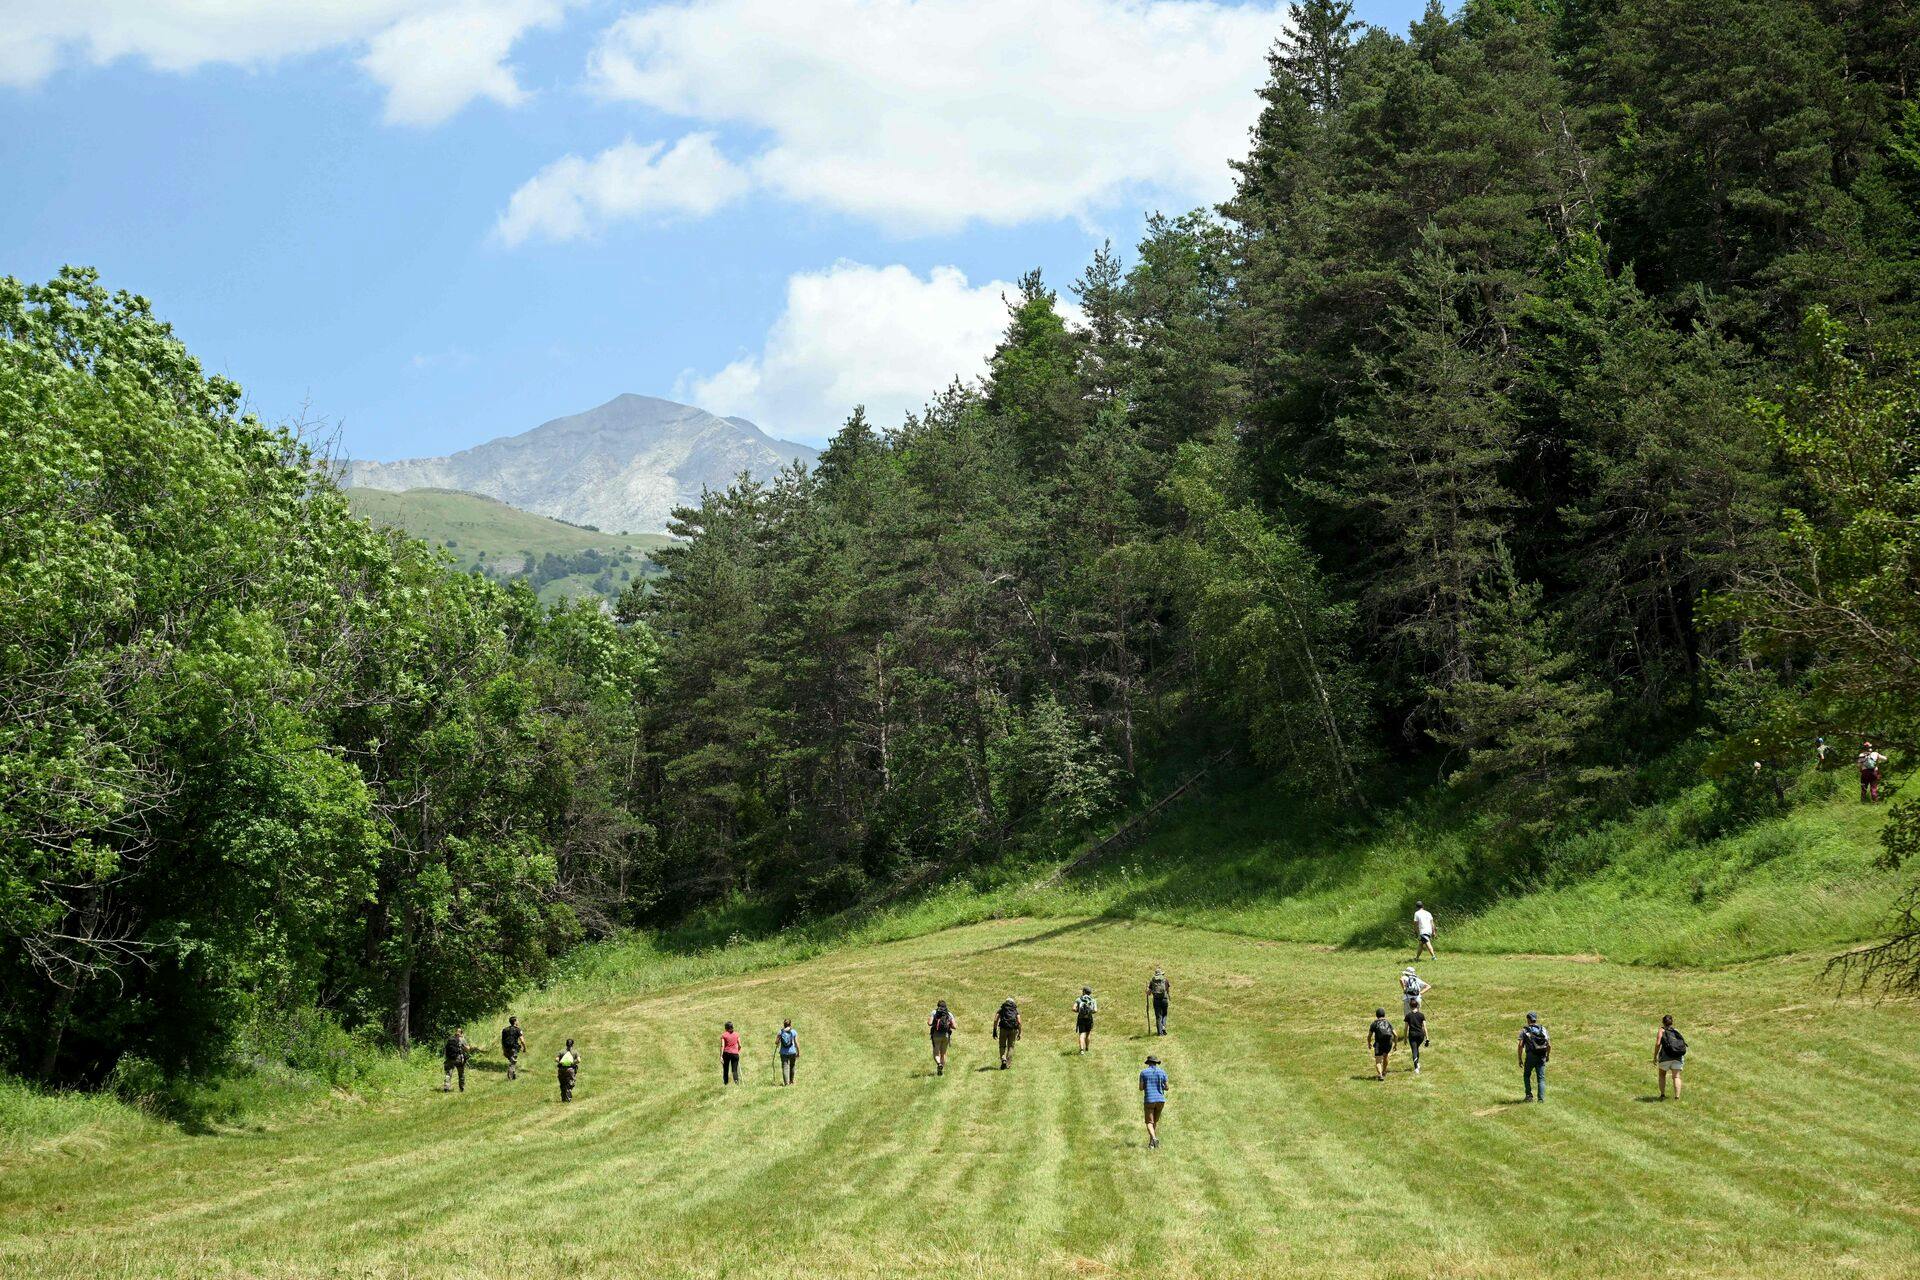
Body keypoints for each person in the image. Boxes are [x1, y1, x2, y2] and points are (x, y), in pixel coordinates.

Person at [1518, 1012, 1551, 1102]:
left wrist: (1520, 1058)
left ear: (1528, 1019)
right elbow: (1549, 1045)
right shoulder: (1543, 1029)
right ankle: (1541, 1099)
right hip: (1541, 1056)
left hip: (1530, 1056)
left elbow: (1520, 1045)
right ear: (1535, 1019)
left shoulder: (1524, 1031)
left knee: (1527, 1075)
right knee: (1541, 1079)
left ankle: (1529, 1096)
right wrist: (1547, 1056)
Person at [1139, 1054, 1169, 1148]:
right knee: (1154, 1122)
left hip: (1149, 1100)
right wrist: (1160, 1086)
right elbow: (1167, 1087)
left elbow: (1141, 1088)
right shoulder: (1162, 1072)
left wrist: (1147, 1085)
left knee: (1149, 1122)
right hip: (1160, 1100)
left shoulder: (1143, 1073)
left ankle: (1154, 1139)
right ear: (1156, 1063)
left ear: (1148, 1063)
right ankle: (1151, 1143)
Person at [1655, 1014, 1687, 1100]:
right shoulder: (1676, 1030)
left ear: (1663, 1022)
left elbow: (1658, 1044)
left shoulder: (1661, 1030)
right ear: (1671, 1022)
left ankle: (1662, 1095)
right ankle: (1677, 1097)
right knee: (1676, 1076)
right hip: (1677, 1056)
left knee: (1662, 1075)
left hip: (1665, 1057)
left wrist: (1655, 1056)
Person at [1367, 1007, 1397, 1080]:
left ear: (1376, 1015)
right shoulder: (1388, 1022)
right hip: (1388, 1042)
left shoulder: (1374, 1024)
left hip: (1379, 1043)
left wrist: (1369, 1043)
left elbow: (1369, 1035)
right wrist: (1395, 1044)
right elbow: (1395, 1035)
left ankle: (1380, 1075)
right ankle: (1384, 1071)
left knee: (1378, 1061)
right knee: (1386, 1056)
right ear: (1384, 1015)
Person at [928, 1000, 956, 1076]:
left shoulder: (934, 1012)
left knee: (936, 1053)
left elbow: (929, 1023)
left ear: (938, 1006)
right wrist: (948, 1024)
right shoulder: (949, 1013)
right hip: (946, 1035)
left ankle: (939, 1064)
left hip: (936, 1035)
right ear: (945, 1006)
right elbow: (954, 1026)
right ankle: (941, 1069)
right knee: (943, 1054)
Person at [995, 998, 1022, 1069]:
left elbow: (995, 1020)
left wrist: (994, 1030)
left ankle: (1003, 1059)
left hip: (1003, 1029)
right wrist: (1019, 1032)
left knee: (1002, 1046)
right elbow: (1019, 1022)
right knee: (1011, 1047)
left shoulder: (1002, 1009)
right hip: (1013, 1030)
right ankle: (1008, 1064)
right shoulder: (1015, 1010)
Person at [1404, 997, 1428, 1075]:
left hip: (1412, 1035)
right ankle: (1417, 1063)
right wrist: (1427, 1038)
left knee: (1414, 1050)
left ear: (1410, 1006)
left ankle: (1416, 1068)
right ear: (1417, 1006)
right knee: (1416, 1048)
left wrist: (1405, 1038)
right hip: (1420, 1035)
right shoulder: (1421, 1015)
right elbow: (1424, 1027)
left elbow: (1406, 1028)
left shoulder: (1408, 1016)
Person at [442, 1028, 470, 1093]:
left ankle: (446, 1088)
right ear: (461, 1033)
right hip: (459, 1059)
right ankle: (462, 1088)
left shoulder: (450, 1039)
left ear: (455, 1032)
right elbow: (468, 1049)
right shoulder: (462, 1039)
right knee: (461, 1074)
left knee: (448, 1074)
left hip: (450, 1059)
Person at [1074, 986, 1098, 1054]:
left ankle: (1081, 1050)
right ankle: (1087, 1048)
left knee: (1081, 1034)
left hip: (1081, 1019)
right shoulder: (1093, 1000)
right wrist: (1089, 1012)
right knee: (1088, 1034)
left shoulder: (1079, 999)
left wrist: (1080, 1011)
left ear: (1084, 992)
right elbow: (1095, 1010)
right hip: (1089, 1019)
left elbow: (1073, 1008)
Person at [1147, 968, 1171, 1036]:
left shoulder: (1152, 981)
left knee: (1158, 1016)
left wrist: (1146, 991)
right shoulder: (1165, 980)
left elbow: (1149, 993)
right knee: (1164, 1014)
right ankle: (1163, 1026)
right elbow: (1167, 990)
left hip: (1156, 1000)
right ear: (1161, 974)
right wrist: (1168, 996)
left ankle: (1160, 1033)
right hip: (1164, 999)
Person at [555, 1038, 580, 1102]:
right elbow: (579, 1060)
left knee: (562, 1084)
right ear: (573, 1044)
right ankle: (568, 1097)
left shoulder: (561, 1051)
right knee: (570, 1083)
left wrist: (561, 1062)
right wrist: (573, 1063)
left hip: (561, 1069)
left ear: (566, 1044)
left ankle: (563, 1099)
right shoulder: (575, 1052)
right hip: (570, 1070)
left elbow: (556, 1059)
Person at [500, 1016, 524, 1082]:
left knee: (512, 1060)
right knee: (513, 1062)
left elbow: (502, 1041)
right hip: (514, 1048)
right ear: (515, 1022)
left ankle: (513, 1076)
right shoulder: (518, 1029)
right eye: (517, 1020)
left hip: (506, 1048)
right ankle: (510, 1077)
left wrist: (503, 1050)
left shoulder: (505, 1030)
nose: (518, 1022)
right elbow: (522, 1040)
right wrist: (524, 1047)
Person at [777, 1018, 799, 1086]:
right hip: (792, 1052)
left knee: (785, 1067)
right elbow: (796, 1043)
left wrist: (778, 1042)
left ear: (784, 1024)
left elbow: (776, 1042)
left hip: (783, 1053)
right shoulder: (793, 1032)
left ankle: (786, 1083)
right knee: (792, 1066)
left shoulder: (780, 1032)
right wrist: (798, 1052)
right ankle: (791, 1081)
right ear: (790, 1024)